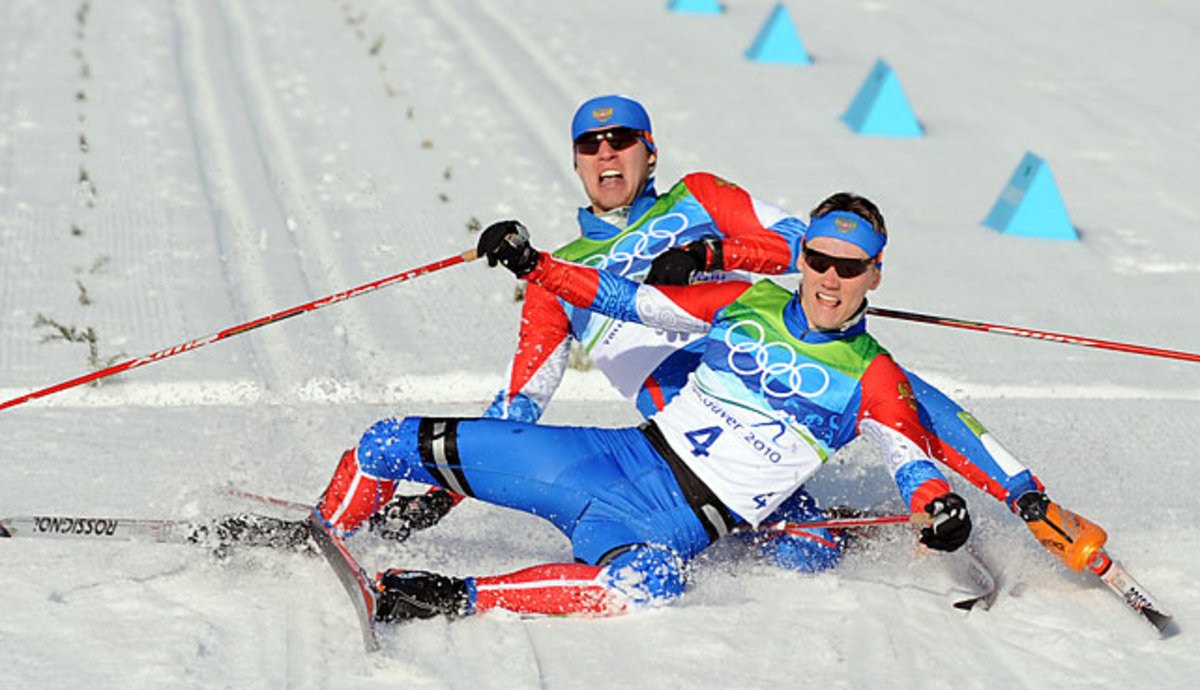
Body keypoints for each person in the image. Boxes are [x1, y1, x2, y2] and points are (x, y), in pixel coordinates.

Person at [379, 94, 1066, 556]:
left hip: (749, 334)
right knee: (806, 549)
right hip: (683, 403)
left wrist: (713, 253)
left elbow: (804, 248)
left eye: (623, 140)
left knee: (892, 385)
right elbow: (519, 406)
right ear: (577, 161)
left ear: (651, 151)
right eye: (591, 145)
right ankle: (826, 522)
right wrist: (441, 498)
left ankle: (1026, 498)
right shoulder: (559, 276)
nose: (607, 154)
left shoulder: (700, 196)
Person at [313, 193, 974, 622]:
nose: (832, 278)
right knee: (386, 443)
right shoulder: (747, 304)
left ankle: (448, 597)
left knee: (648, 584)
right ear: (802, 258)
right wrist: (534, 265)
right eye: (821, 259)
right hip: (604, 461)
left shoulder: (876, 375)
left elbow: (912, 462)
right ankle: (316, 536)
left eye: (850, 267)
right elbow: (630, 302)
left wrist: (936, 507)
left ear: (875, 274)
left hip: (669, 521)